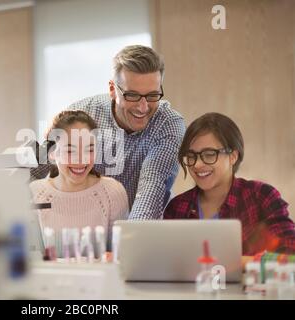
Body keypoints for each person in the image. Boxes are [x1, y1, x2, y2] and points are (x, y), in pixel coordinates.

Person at [31, 45, 185, 219]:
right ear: (112, 89)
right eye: (132, 95)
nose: (143, 107)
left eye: (152, 95)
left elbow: (150, 190)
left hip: (144, 233)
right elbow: (36, 168)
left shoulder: (168, 124)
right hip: (88, 226)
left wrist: (127, 242)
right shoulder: (84, 114)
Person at [164, 112, 295, 255]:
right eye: (191, 156)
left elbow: (289, 250)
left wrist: (243, 264)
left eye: (209, 154)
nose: (197, 164)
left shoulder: (261, 196)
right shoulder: (177, 207)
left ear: (233, 156)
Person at [29, 110, 129, 251]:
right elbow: (32, 258)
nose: (81, 159)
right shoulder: (35, 193)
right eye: (70, 151)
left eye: (89, 149)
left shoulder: (113, 192)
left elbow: (121, 254)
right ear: (51, 153)